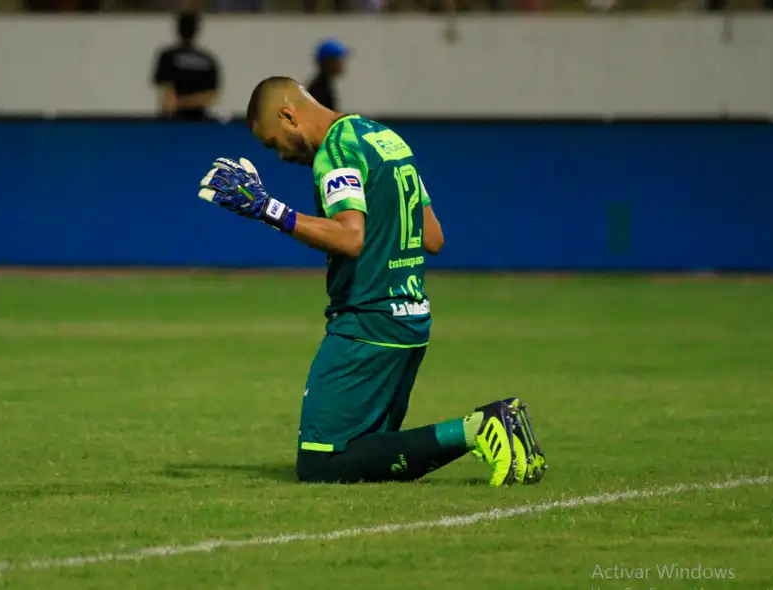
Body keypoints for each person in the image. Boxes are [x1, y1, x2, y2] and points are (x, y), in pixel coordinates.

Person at [196, 77, 548, 487]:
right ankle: (498, 428)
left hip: (367, 324)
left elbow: (350, 237)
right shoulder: (384, 138)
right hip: (411, 320)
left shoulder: (337, 147)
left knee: (321, 462)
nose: (281, 156)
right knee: (368, 450)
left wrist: (267, 209)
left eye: (275, 143)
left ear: (289, 116)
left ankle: (481, 428)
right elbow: (433, 237)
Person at [151, 11, 221, 121]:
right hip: (199, 121)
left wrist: (178, 103)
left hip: (173, 120)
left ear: (178, 29)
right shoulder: (208, 60)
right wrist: (191, 101)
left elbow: (168, 97)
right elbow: (209, 97)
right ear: (197, 31)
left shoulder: (168, 56)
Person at [306, 39, 348, 112]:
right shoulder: (320, 91)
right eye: (339, 60)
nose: (342, 64)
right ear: (329, 63)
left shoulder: (322, 85)